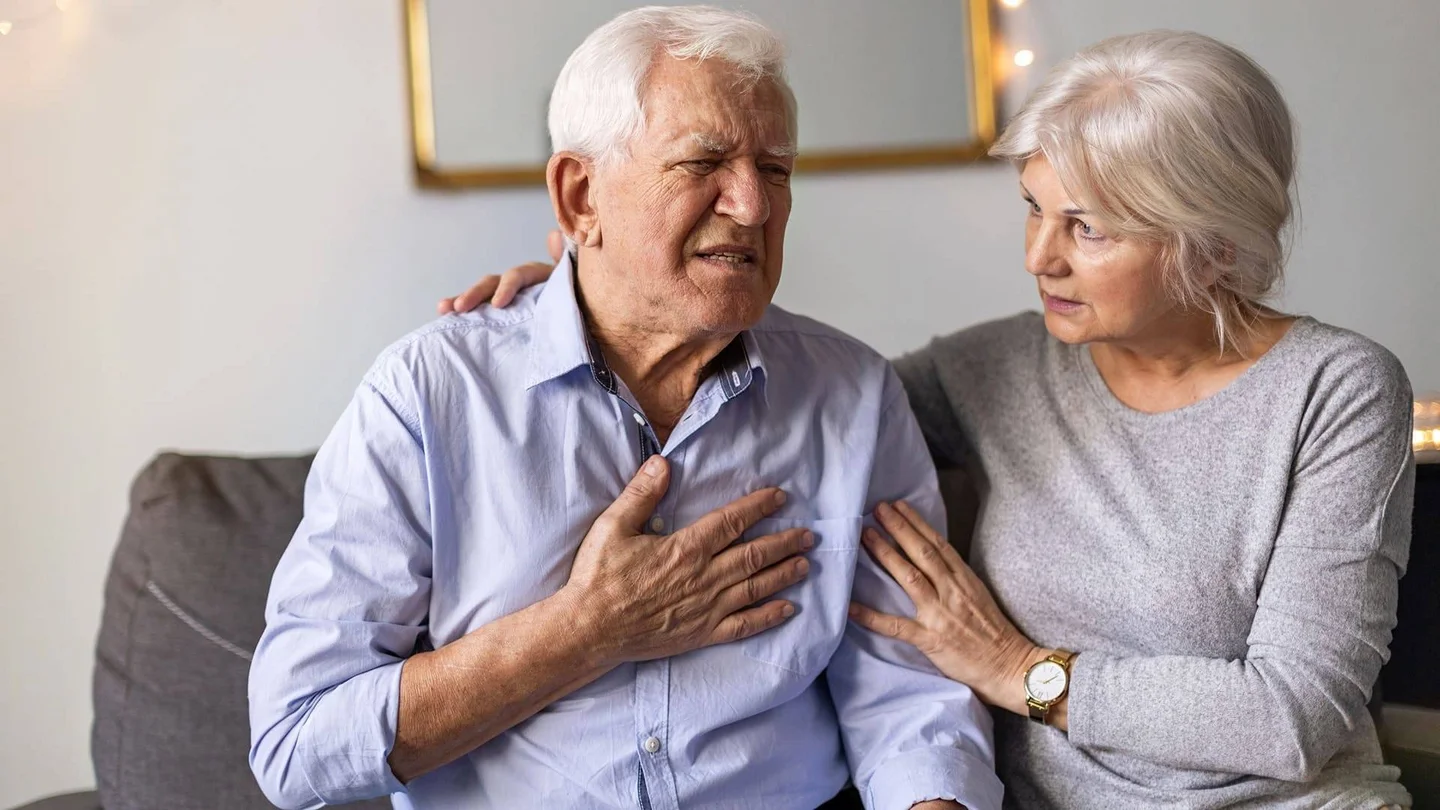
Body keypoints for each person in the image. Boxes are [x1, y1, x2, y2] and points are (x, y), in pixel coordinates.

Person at [445, 29, 1416, 809]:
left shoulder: (1335, 391)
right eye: (1034, 208)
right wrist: (596, 297)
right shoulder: (992, 368)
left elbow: (1294, 716)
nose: (1040, 256)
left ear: (1215, 242)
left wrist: (1022, 672)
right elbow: (785, 399)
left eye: (1088, 227)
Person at [248, 6, 1002, 810]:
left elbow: (907, 699)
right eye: (702, 162)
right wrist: (586, 630)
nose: (752, 205)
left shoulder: (853, 393)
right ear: (581, 197)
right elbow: (298, 745)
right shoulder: (428, 393)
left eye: (776, 170)